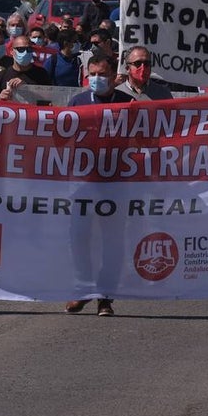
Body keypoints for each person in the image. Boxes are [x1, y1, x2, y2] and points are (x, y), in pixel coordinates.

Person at [65, 52, 133, 317]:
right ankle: (82, 291)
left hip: (116, 185)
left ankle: (105, 296)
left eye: (102, 75)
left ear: (114, 78)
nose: (96, 79)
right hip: (82, 186)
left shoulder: (128, 104)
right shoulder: (78, 102)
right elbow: (62, 139)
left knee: (112, 242)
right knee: (79, 238)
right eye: (92, 74)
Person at [0, 34, 52, 100]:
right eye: (21, 49)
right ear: (12, 51)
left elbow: (49, 101)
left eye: (29, 49)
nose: (25, 52)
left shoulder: (41, 74)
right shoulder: (1, 76)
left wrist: (26, 88)